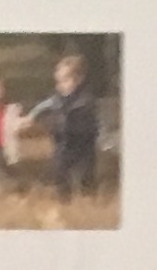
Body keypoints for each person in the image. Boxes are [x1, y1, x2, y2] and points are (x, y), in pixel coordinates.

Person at [29, 53, 103, 203]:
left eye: (65, 81)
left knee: (85, 173)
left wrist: (61, 125)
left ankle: (89, 198)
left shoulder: (85, 101)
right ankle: (64, 199)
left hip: (82, 145)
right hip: (63, 143)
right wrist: (32, 117)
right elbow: (44, 106)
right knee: (60, 171)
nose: (60, 86)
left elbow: (90, 126)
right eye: (58, 82)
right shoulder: (58, 99)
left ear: (79, 80)